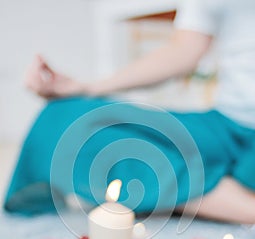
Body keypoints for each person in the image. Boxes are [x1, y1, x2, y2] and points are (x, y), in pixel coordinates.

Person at [4, 0, 255, 224]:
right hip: (226, 125)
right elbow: (184, 51)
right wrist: (85, 87)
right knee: (62, 119)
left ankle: (192, 192)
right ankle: (220, 200)